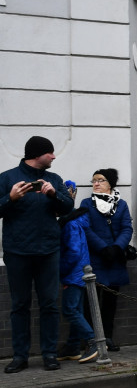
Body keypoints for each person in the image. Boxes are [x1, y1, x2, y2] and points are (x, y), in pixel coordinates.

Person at [0, 136, 75, 373]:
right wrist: (10, 198)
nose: (54, 156)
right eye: (50, 153)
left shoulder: (53, 179)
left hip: (48, 250)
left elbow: (68, 208)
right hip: (17, 251)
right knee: (20, 305)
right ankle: (20, 356)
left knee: (49, 304)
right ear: (37, 154)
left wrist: (54, 194)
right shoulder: (7, 178)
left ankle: (49, 354)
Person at [81, 168, 133, 349]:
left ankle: (108, 337)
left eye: (100, 180)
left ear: (110, 184)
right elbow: (86, 229)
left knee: (111, 301)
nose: (95, 183)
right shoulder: (87, 203)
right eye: (94, 180)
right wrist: (103, 248)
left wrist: (117, 247)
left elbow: (127, 227)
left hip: (115, 258)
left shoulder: (122, 204)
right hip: (96, 258)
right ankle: (92, 339)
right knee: (91, 301)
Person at [56, 182, 100, 364]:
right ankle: (73, 346)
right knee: (77, 310)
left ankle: (92, 341)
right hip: (80, 271)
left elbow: (73, 251)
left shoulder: (69, 223)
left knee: (70, 309)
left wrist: (62, 270)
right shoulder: (75, 220)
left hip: (73, 273)